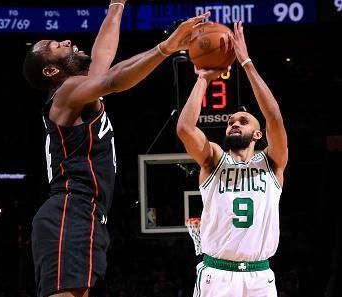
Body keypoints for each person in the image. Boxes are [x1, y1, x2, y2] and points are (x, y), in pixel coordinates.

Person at [22, 1, 210, 296]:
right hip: (69, 208)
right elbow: (113, 79)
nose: (68, 41)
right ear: (50, 70)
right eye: (58, 45)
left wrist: (117, 6)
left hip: (85, 212)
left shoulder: (80, 89)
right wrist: (167, 47)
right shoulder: (66, 93)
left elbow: (104, 56)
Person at [177, 21, 288, 297]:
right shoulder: (214, 160)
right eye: (230, 121)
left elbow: (274, 117)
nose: (234, 123)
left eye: (242, 120)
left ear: (258, 134)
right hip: (217, 274)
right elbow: (185, 129)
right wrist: (202, 79)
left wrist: (246, 62)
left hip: (260, 276)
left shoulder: (272, 163)